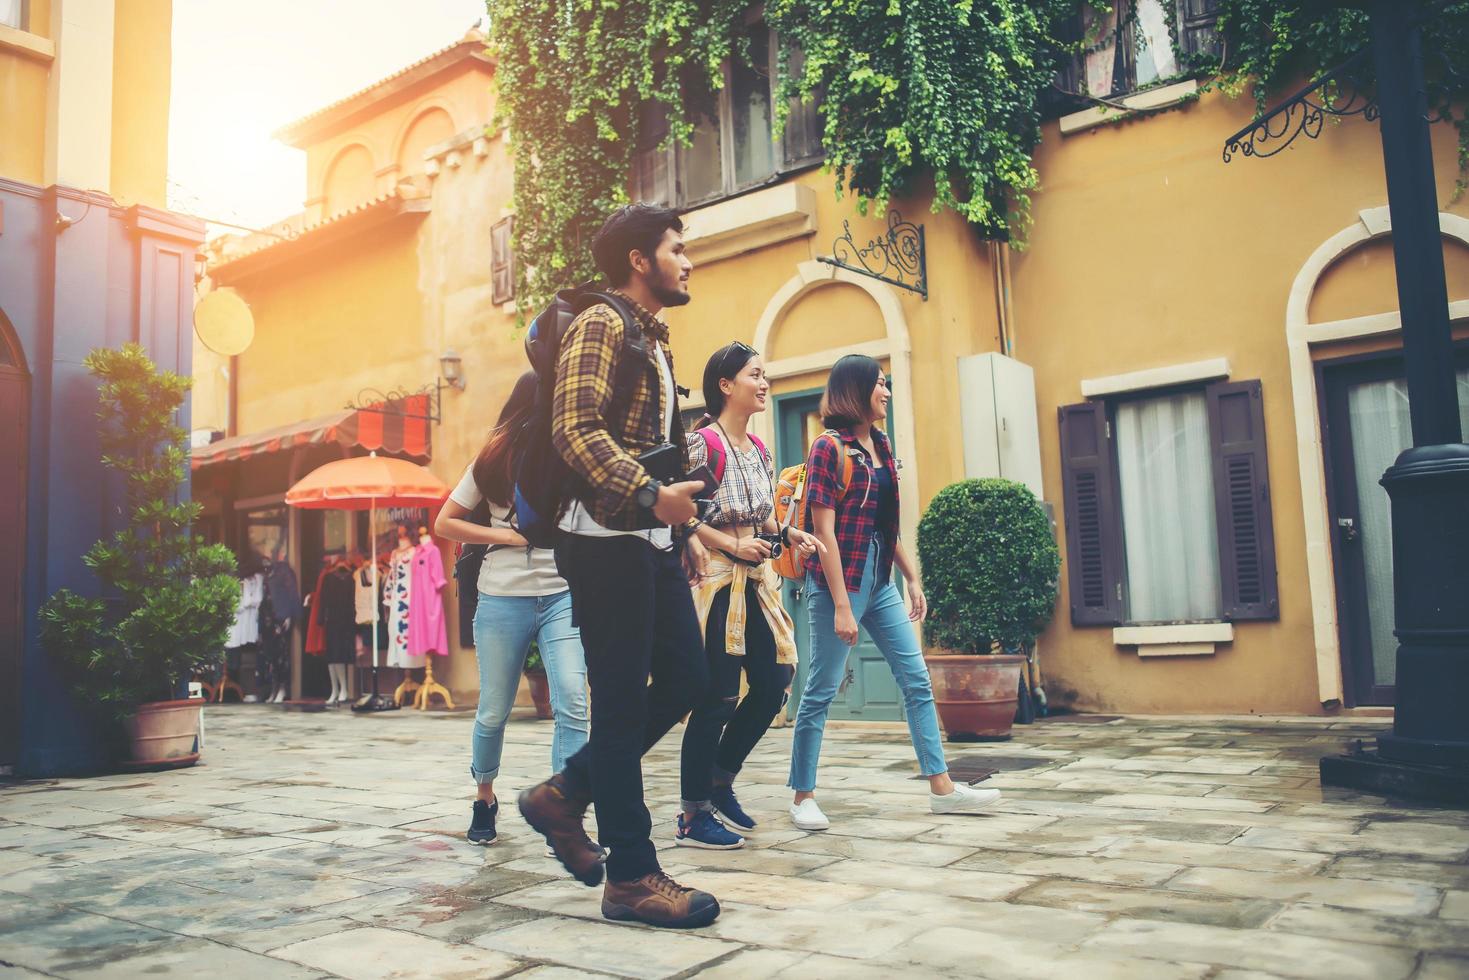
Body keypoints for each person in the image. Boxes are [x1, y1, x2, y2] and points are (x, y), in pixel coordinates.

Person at [517, 203, 720, 929]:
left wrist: (682, 522)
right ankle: (630, 875)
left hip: (648, 538)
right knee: (621, 701)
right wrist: (647, 493)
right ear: (640, 259)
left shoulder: (651, 338)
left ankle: (565, 792)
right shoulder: (602, 323)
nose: (687, 259)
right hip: (601, 538)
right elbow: (574, 426)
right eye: (676, 248)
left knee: (690, 678)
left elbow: (655, 447)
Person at [788, 353, 1001, 831]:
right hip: (837, 579)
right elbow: (824, 532)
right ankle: (803, 796)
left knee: (916, 678)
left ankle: (942, 789)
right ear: (858, 390)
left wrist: (912, 576)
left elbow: (885, 524)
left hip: (879, 576)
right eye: (881, 385)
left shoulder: (881, 444)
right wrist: (843, 605)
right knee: (821, 689)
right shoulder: (828, 448)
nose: (886, 393)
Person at [676, 342, 822, 849]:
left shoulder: (757, 449)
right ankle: (693, 814)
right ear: (725, 385)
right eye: (754, 375)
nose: (763, 383)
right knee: (716, 697)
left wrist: (789, 532)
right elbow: (682, 514)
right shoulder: (702, 445)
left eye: (763, 375)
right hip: (716, 581)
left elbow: (759, 513)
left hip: (755, 582)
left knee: (774, 679)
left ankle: (720, 778)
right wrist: (731, 543)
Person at [436, 371, 589, 848]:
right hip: (502, 596)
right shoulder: (495, 457)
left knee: (573, 699)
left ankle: (565, 808)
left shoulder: (572, 456)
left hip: (562, 592)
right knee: (493, 710)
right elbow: (446, 522)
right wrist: (506, 535)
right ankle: (484, 797)